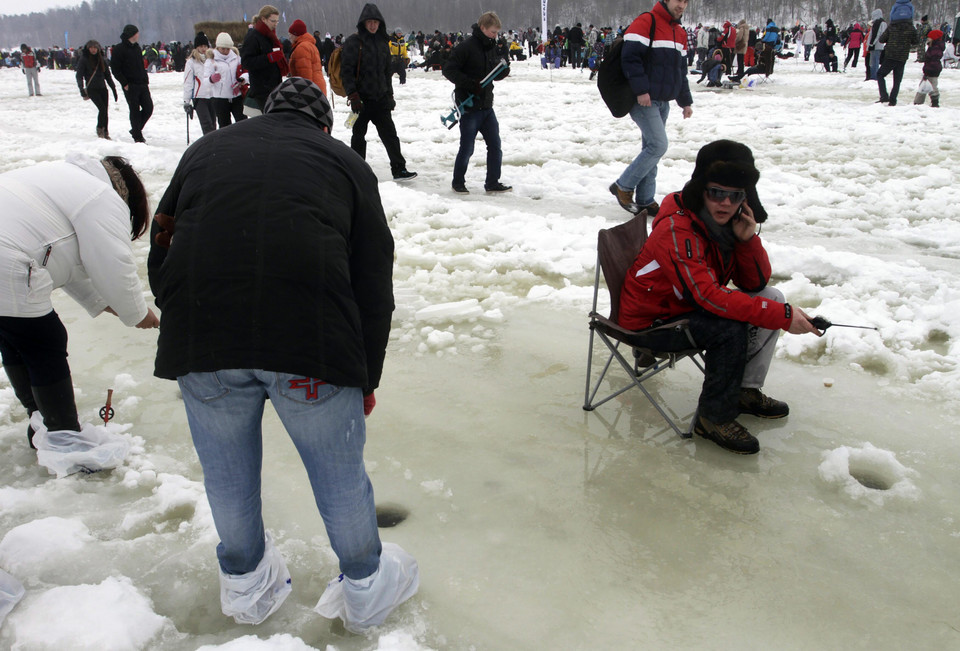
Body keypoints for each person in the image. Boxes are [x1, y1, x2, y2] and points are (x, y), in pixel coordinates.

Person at [146, 77, 419, 632]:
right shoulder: (343, 162)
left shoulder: (205, 149)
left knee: (227, 477)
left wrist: (181, 315)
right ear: (323, 124)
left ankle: (246, 588)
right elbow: (374, 277)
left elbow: (162, 242)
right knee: (339, 477)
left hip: (203, 339)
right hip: (310, 343)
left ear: (265, 112)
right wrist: (365, 375)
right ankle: (366, 589)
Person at [618, 140, 822, 454]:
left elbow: (754, 283)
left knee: (771, 297)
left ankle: (744, 392)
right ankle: (712, 418)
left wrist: (746, 241)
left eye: (735, 195)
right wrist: (782, 317)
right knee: (730, 328)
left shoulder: (723, 223)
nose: (725, 202)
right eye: (717, 192)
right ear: (701, 190)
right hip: (651, 321)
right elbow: (709, 298)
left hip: (684, 307)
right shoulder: (678, 229)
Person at [0, 154, 159, 450]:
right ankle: (65, 440)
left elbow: (64, 258)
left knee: (14, 336)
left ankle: (41, 424)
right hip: (6, 257)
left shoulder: (60, 176)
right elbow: (113, 262)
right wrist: (137, 313)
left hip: (8, 251)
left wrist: (104, 303)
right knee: (43, 341)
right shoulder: (100, 197)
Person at [609, 0, 693, 216]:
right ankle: (623, 186)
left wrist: (685, 101)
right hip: (642, 99)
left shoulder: (679, 33)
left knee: (652, 149)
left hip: (663, 101)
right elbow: (630, 58)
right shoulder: (647, 21)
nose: (682, 5)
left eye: (686, 1)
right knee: (658, 145)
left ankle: (645, 199)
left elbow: (680, 70)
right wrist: (641, 90)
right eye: (678, 0)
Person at [342, 3, 417, 182]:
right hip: (361, 99)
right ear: (363, 23)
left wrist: (390, 95)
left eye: (376, 22)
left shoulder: (384, 42)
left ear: (380, 23)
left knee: (390, 135)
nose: (373, 25)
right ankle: (357, 171)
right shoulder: (354, 42)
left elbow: (386, 72)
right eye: (370, 22)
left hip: (381, 97)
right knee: (358, 136)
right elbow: (346, 71)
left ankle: (399, 169)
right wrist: (353, 95)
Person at [443, 12, 512, 194]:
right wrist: (470, 84)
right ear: (482, 28)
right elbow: (449, 70)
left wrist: (502, 71)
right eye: (492, 32)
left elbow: (492, 74)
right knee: (467, 148)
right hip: (469, 106)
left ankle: (492, 182)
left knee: (495, 146)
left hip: (487, 106)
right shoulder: (466, 47)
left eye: (497, 32)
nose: (495, 36)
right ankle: (458, 182)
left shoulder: (491, 47)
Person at [240, 4, 289, 111]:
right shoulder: (253, 36)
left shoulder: (270, 36)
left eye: (277, 21)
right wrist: (269, 58)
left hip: (274, 85)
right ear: (263, 19)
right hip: (262, 89)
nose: (276, 24)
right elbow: (246, 62)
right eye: (273, 21)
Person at [111, 24, 153, 143]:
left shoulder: (137, 47)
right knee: (134, 110)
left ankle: (136, 129)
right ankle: (137, 136)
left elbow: (140, 65)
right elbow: (115, 69)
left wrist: (145, 79)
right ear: (131, 35)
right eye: (136, 33)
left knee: (148, 108)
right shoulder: (119, 49)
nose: (138, 35)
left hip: (142, 83)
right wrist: (124, 83)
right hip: (130, 85)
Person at [876, 0, 918, 105]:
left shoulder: (892, 27)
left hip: (890, 55)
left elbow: (881, 39)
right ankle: (893, 100)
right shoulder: (911, 28)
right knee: (897, 80)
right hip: (902, 56)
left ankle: (884, 96)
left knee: (880, 74)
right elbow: (916, 41)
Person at [76, 40, 118, 139]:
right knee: (102, 109)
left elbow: (107, 75)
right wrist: (82, 90)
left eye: (95, 48)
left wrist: (113, 88)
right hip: (92, 89)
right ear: (88, 48)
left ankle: (106, 131)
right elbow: (79, 75)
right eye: (91, 48)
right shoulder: (84, 59)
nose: (93, 50)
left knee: (105, 111)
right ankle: (100, 129)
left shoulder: (101, 59)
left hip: (102, 88)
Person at [207, 32, 248, 128]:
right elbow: (205, 81)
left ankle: (243, 141)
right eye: (223, 49)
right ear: (217, 47)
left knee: (242, 123)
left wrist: (243, 79)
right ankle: (226, 142)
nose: (225, 51)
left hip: (236, 96)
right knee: (224, 125)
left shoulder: (237, 58)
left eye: (228, 49)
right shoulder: (211, 61)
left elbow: (246, 72)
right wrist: (211, 79)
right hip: (220, 98)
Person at [184, 32, 216, 136]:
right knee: (206, 124)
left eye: (205, 46)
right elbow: (188, 82)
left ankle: (214, 146)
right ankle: (209, 146)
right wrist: (186, 101)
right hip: (199, 97)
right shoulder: (191, 62)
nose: (203, 49)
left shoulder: (212, 60)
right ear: (196, 47)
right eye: (201, 46)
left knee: (213, 124)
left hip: (212, 96)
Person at [288, 19, 328, 95]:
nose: (289, 37)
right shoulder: (310, 45)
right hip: (317, 86)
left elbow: (305, 73)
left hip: (311, 91)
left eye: (290, 34)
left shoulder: (302, 48)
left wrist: (306, 94)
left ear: (296, 34)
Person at [914, 28, 944, 106]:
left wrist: (927, 71)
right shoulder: (933, 46)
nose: (928, 38)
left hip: (932, 70)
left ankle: (934, 102)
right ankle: (919, 102)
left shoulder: (935, 48)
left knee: (931, 86)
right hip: (931, 69)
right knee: (924, 85)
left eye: (929, 37)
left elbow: (932, 59)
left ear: (934, 38)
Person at [866, 9, 887, 81]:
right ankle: (874, 76)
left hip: (876, 45)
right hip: (878, 45)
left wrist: (871, 43)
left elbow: (876, 34)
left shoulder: (878, 23)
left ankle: (874, 76)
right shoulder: (881, 23)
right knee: (874, 61)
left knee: (874, 62)